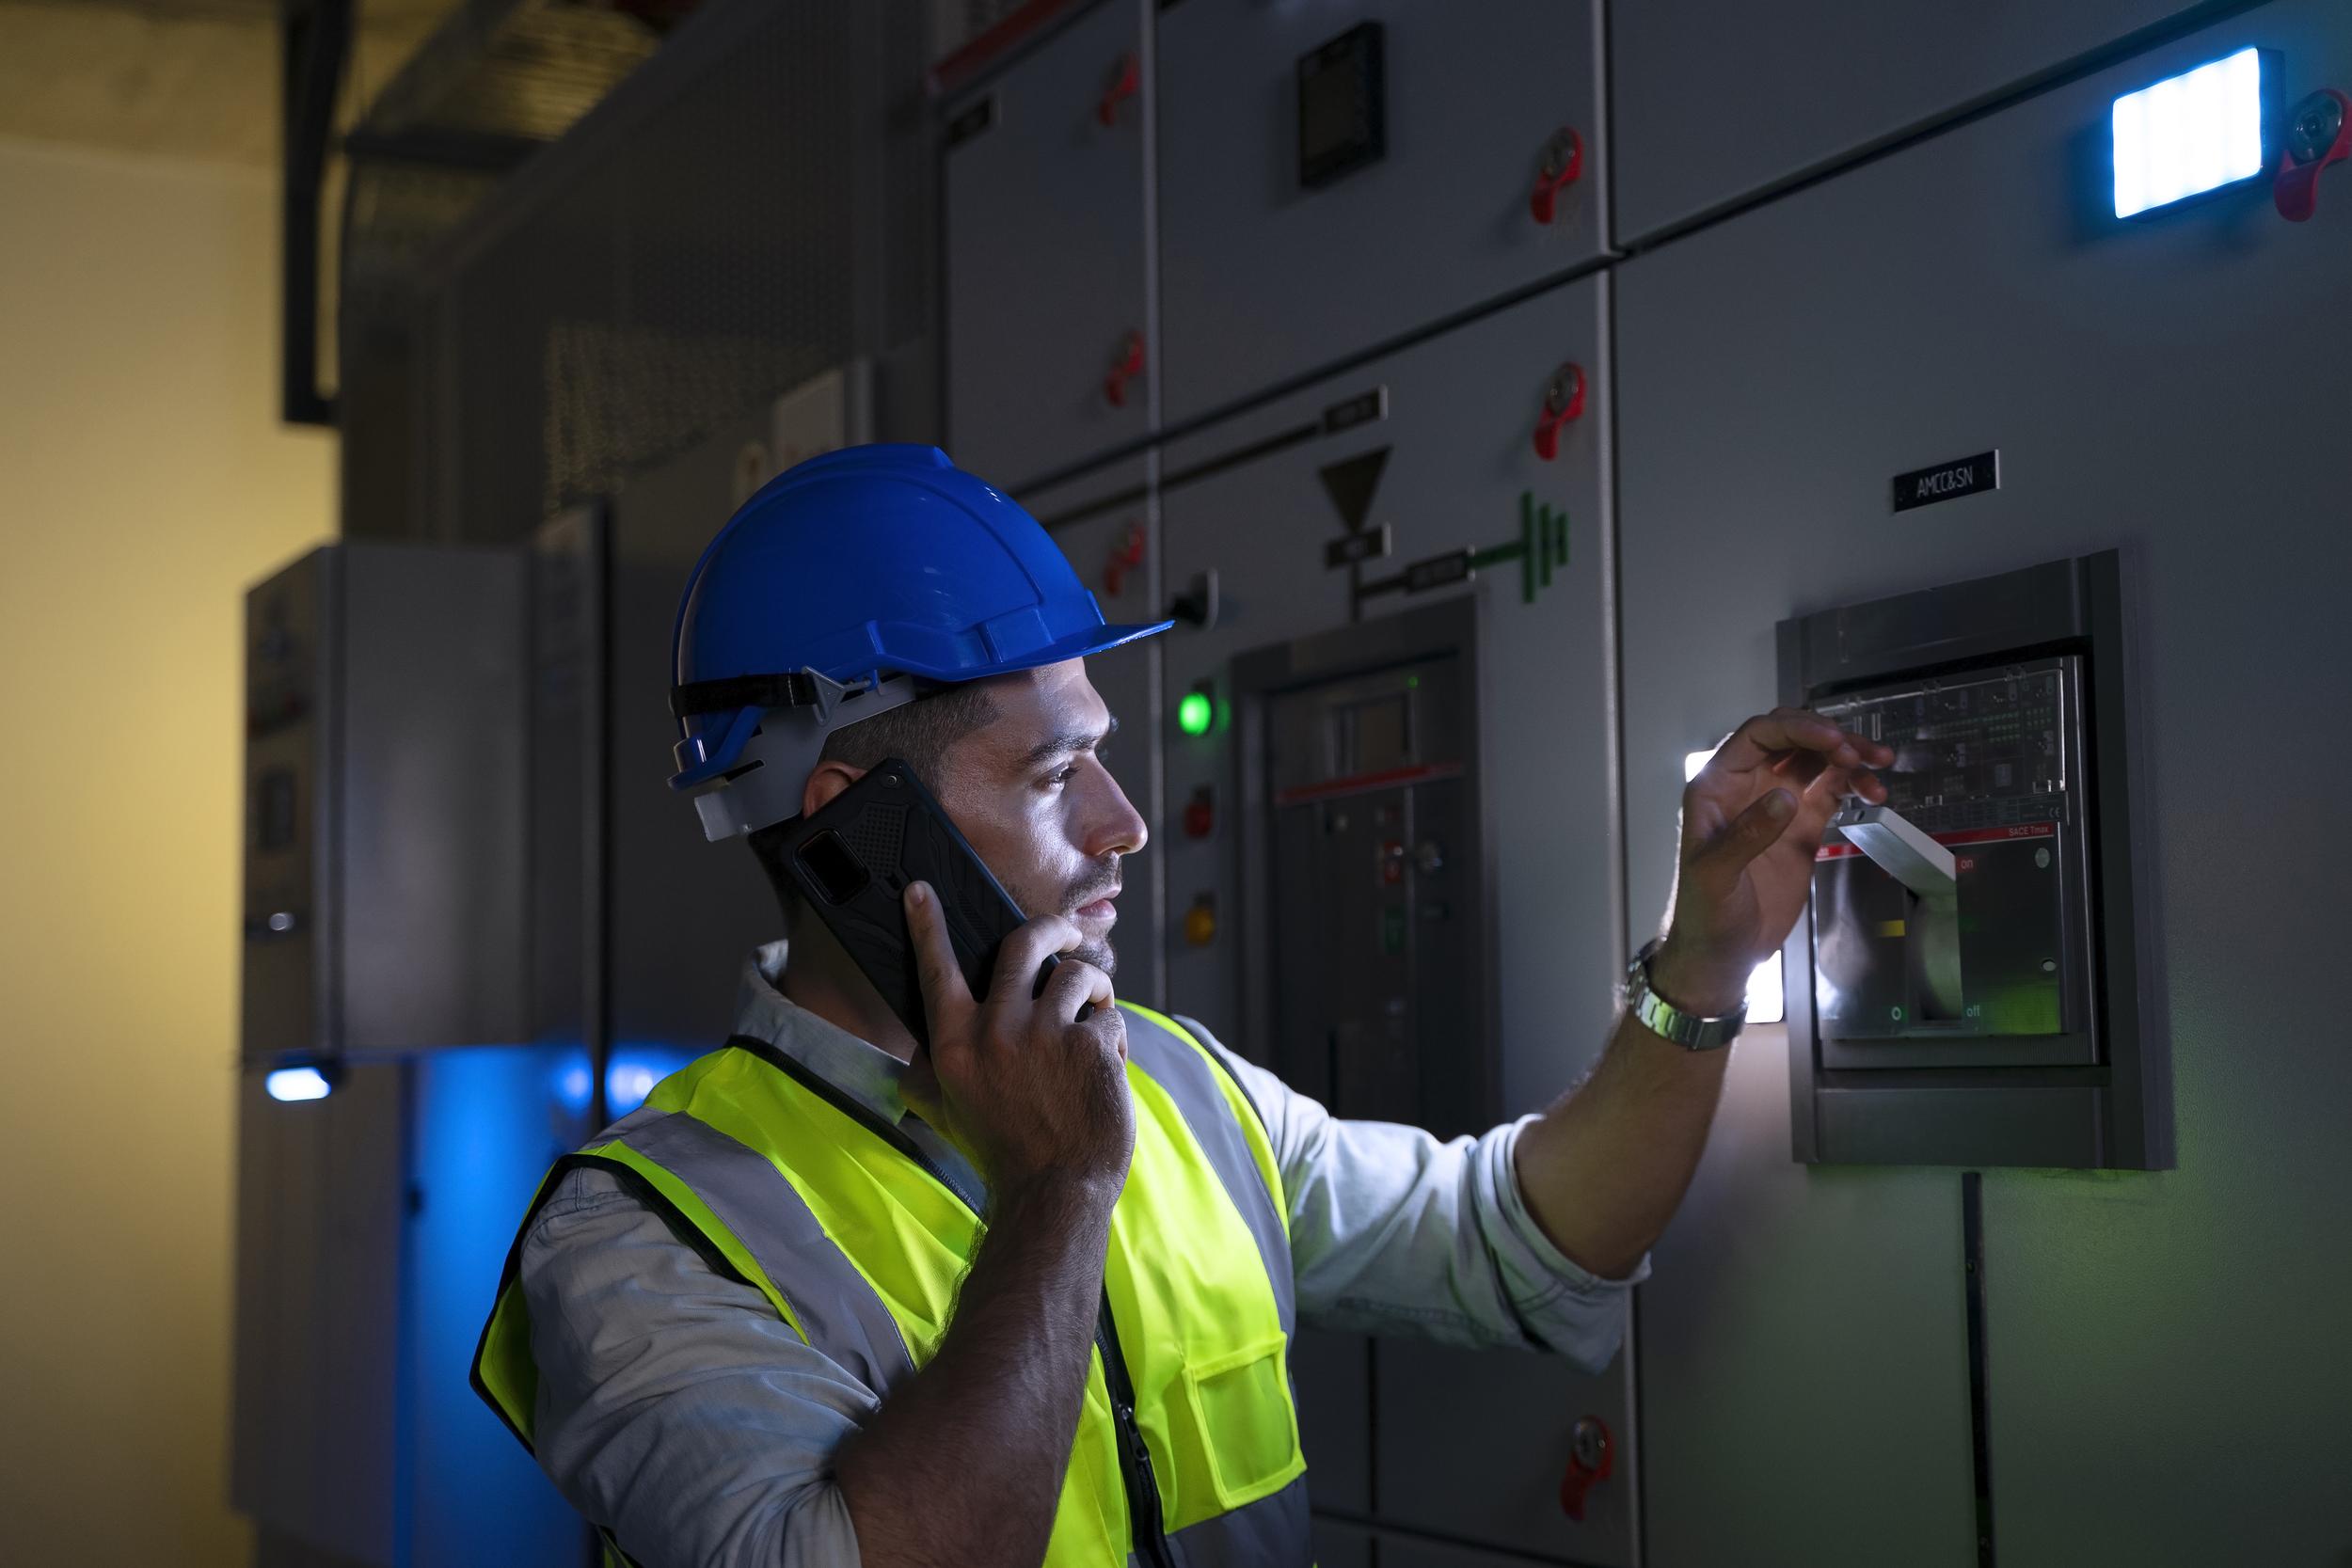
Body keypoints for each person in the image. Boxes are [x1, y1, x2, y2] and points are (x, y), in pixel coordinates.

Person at [472, 444, 1893, 1568]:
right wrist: (1056, 1190)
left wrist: (1704, 967)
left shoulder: (1175, 1085)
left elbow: (1529, 1244)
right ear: (861, 834)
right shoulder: (647, 1235)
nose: (1125, 824)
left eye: (1105, 760)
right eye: (1051, 778)